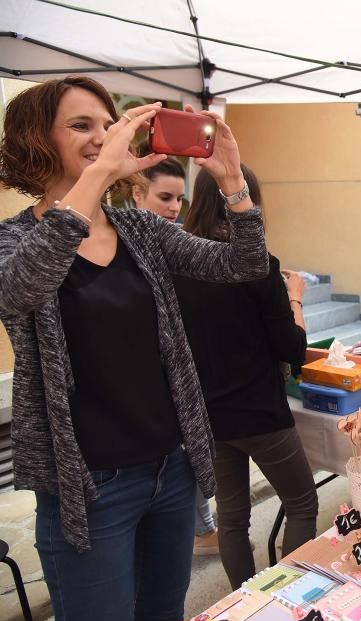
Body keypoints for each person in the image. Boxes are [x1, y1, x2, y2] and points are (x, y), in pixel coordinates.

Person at [0, 77, 268, 621]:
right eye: (82, 126)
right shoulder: (13, 241)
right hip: (89, 489)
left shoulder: (141, 230)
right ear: (34, 141)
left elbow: (244, 265)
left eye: (107, 122)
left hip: (171, 472)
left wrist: (231, 185)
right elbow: (24, 287)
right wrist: (100, 175)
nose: (105, 136)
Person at [172, 165, 318, 590]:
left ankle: (244, 599)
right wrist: (293, 297)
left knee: (232, 518)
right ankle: (285, 599)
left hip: (209, 415)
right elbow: (293, 350)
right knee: (302, 503)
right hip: (260, 413)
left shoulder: (178, 266)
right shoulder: (257, 267)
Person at [130, 157, 221, 557]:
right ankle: (204, 530)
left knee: (189, 457)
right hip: (145, 388)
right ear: (135, 193)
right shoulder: (121, 248)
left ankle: (204, 529)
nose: (172, 208)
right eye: (164, 197)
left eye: (179, 199)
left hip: (184, 372)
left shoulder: (175, 240)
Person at [130, 156, 185, 224]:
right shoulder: (116, 232)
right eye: (165, 198)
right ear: (137, 194)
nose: (176, 208)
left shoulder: (187, 232)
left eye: (179, 199)